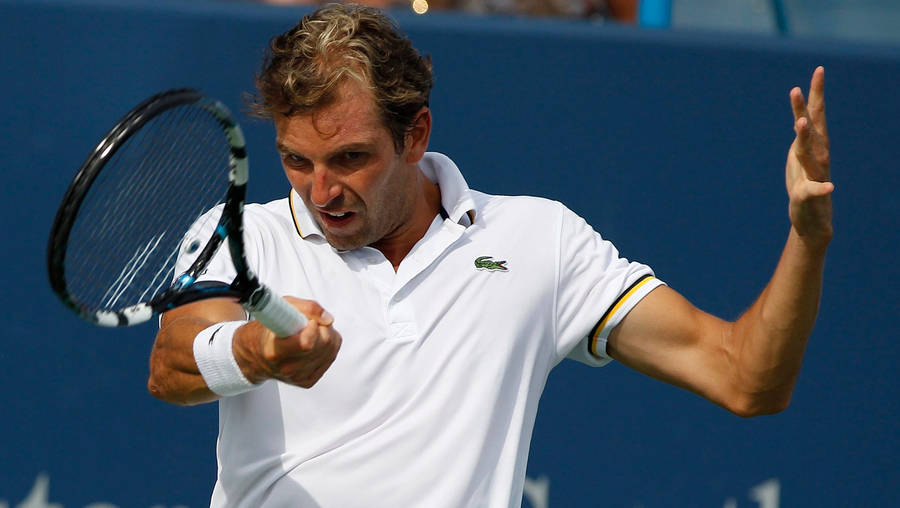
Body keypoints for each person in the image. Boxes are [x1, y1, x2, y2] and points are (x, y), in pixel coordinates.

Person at [147, 4, 832, 506]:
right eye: (297, 161)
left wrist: (808, 238)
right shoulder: (241, 234)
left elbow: (746, 378)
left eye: (350, 158)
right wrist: (258, 352)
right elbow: (173, 361)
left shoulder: (539, 240)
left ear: (416, 135)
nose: (321, 191)